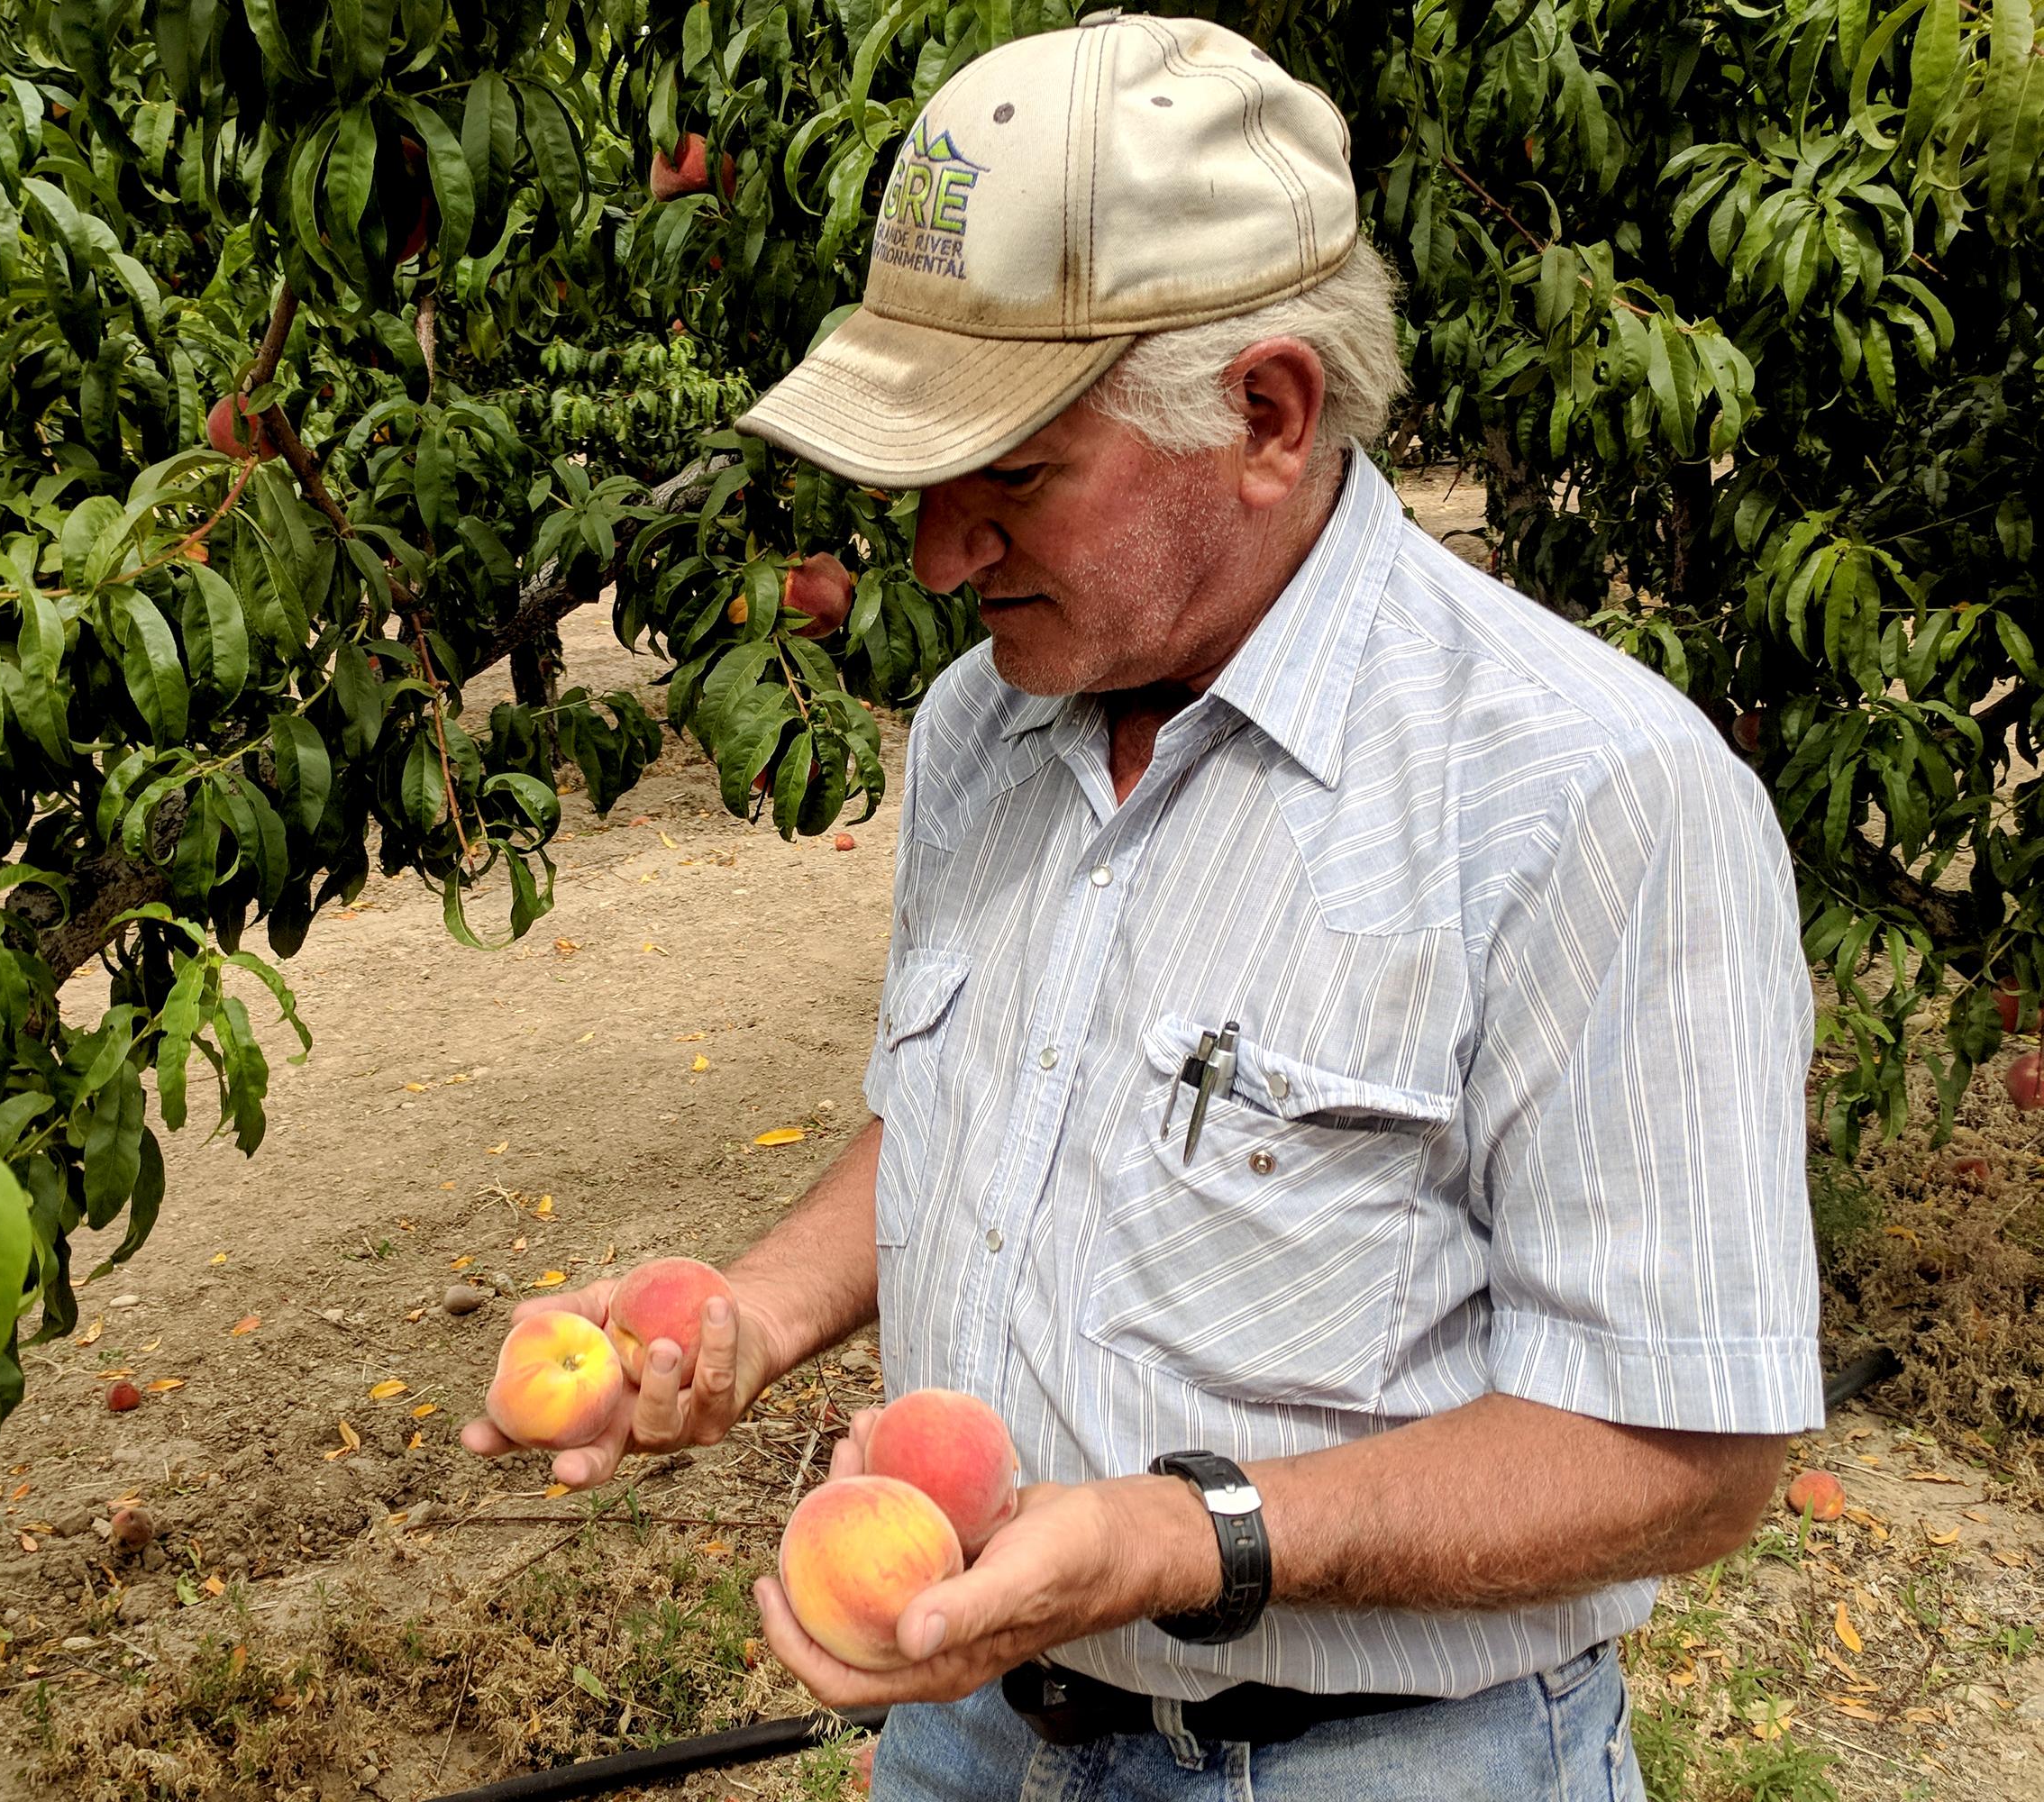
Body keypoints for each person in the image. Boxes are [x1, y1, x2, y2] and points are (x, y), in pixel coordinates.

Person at [466, 14, 1821, 1796]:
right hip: (975, 1725)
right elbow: (970, 1104)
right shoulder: (986, 723)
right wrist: (754, 1312)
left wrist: (1186, 1541)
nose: (941, 552)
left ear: (1267, 415)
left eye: (1014, 470)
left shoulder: (1586, 800)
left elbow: (1691, 1454)